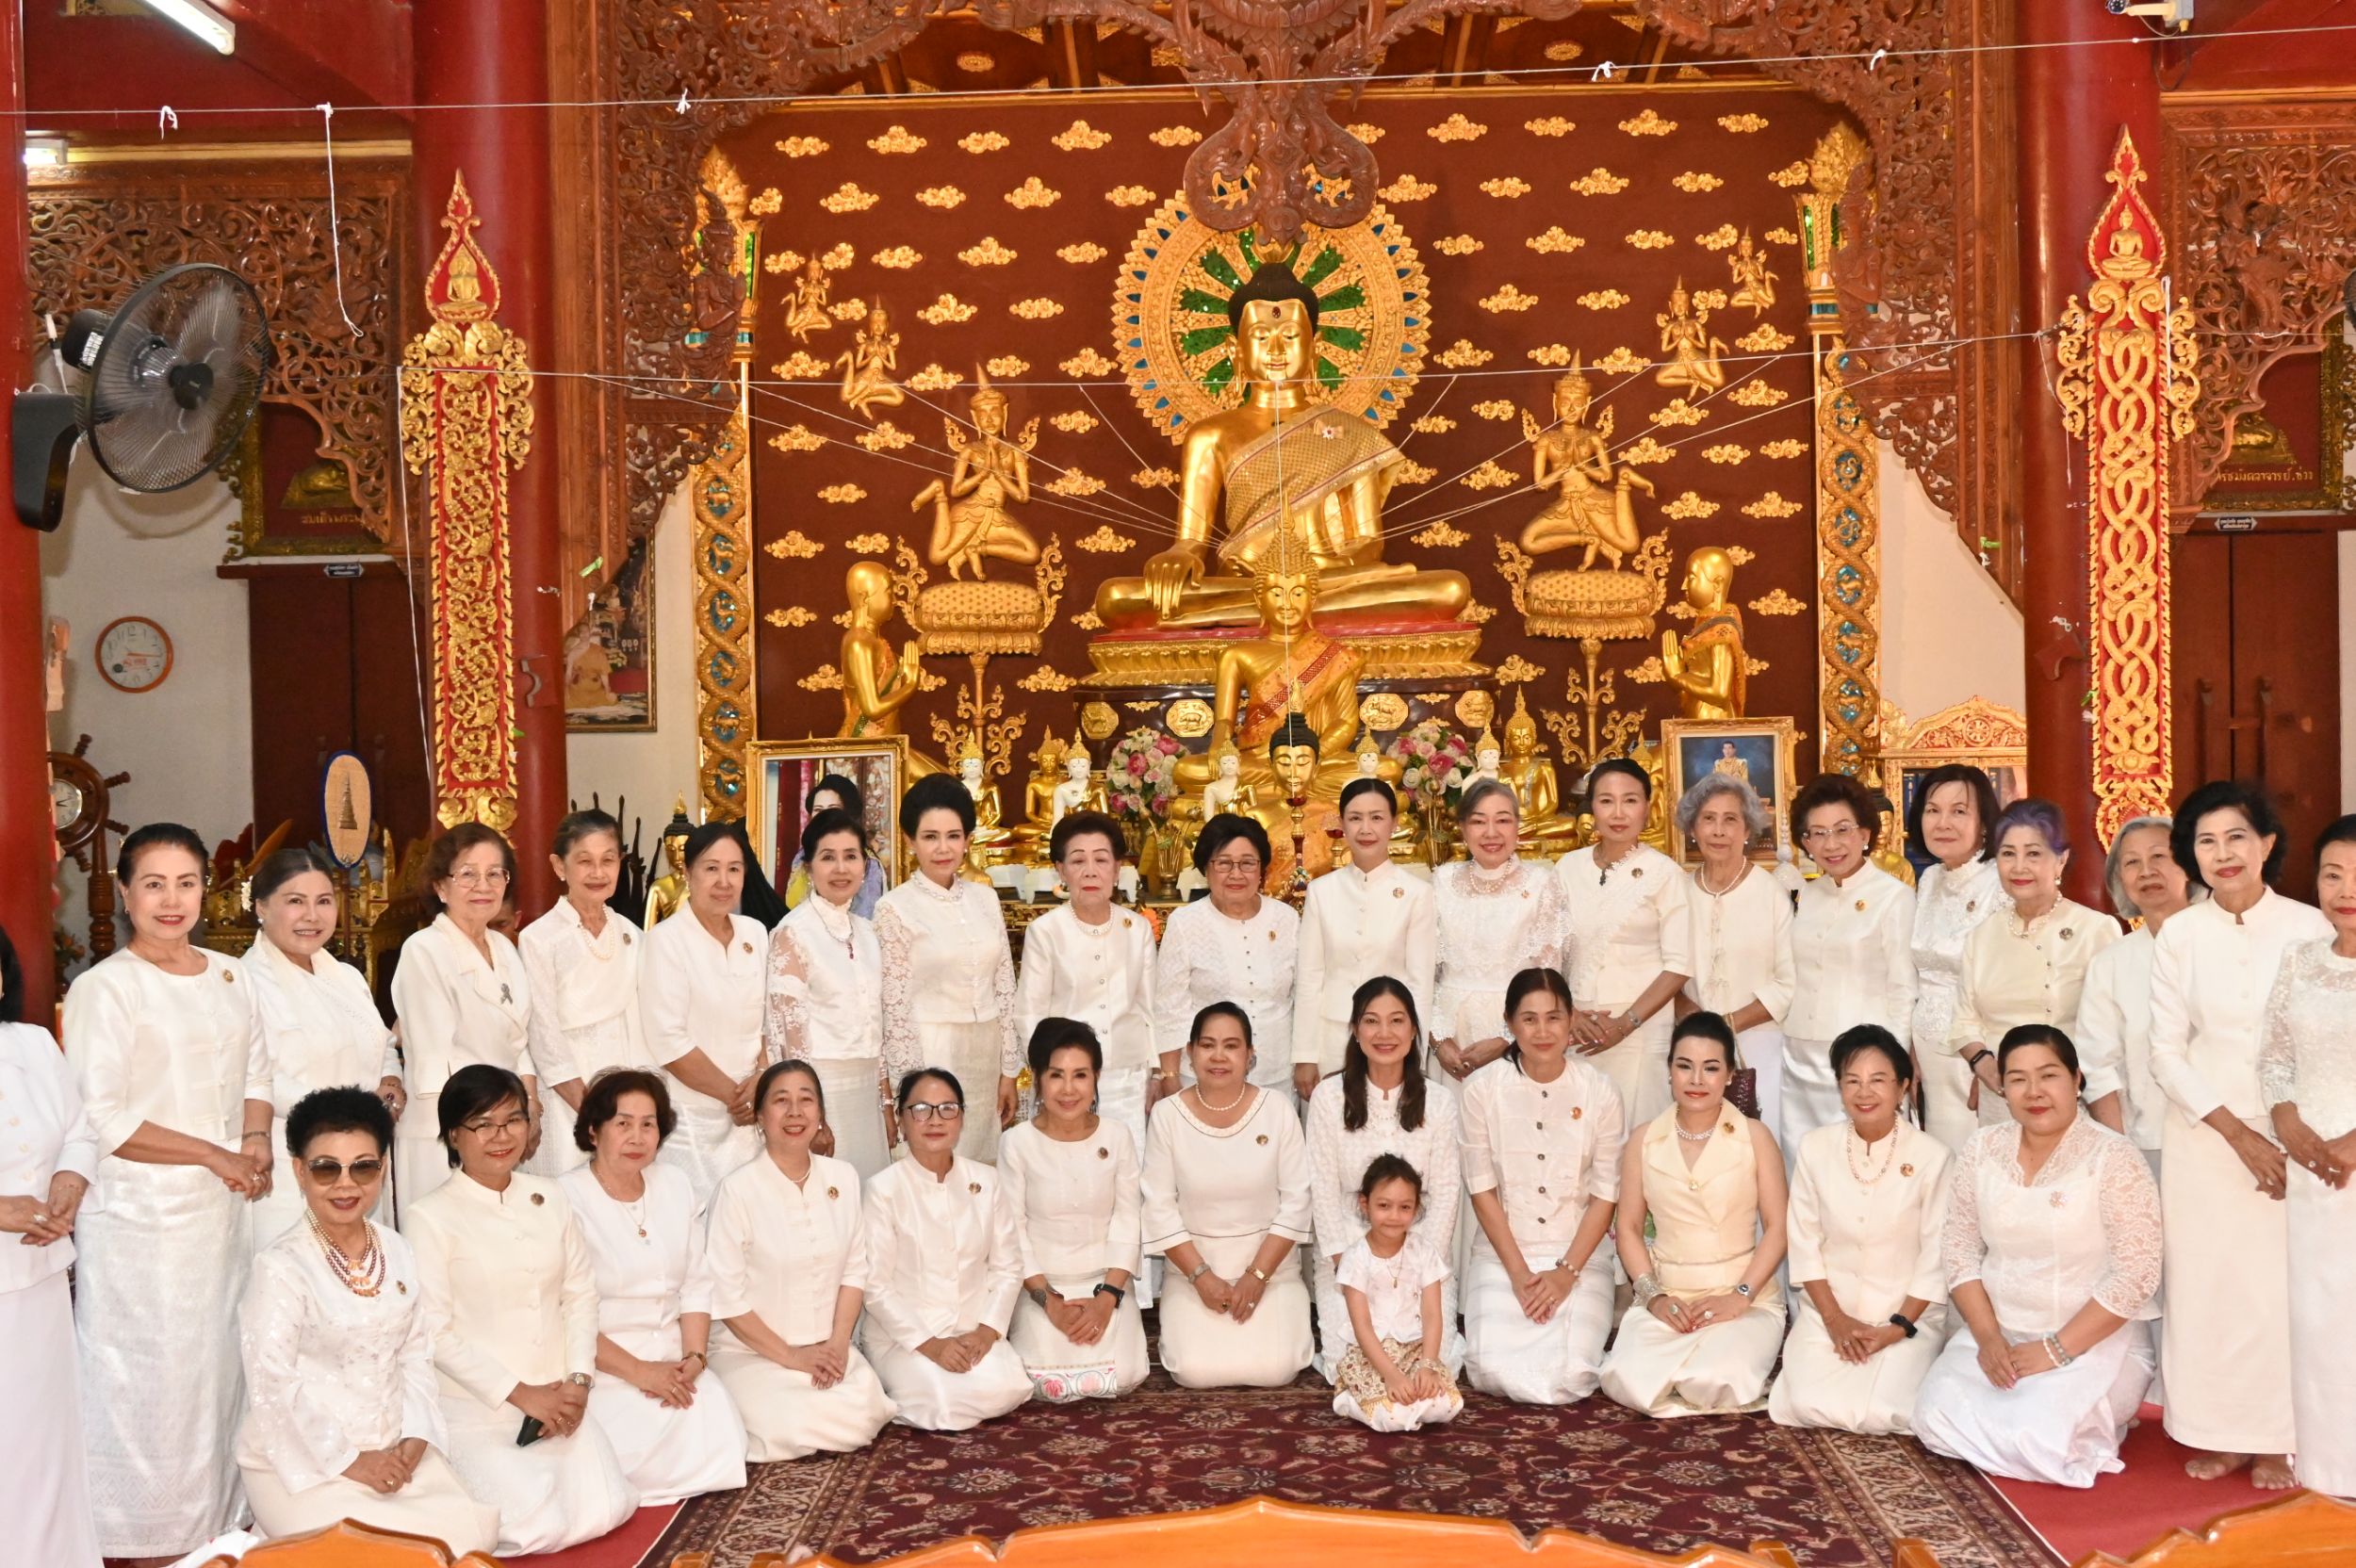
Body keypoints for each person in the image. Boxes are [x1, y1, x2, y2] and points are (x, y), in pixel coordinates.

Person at [66, 823, 273, 1563]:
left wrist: (254, 1141)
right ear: (124, 894)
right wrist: (216, 1154)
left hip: (220, 1215)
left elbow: (258, 1072)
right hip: (139, 1220)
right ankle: (144, 1538)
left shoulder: (231, 976)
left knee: (217, 1375)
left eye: (186, 883)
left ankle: (218, 1527)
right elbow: (103, 1117)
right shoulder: (104, 988)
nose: (171, 900)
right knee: (150, 1382)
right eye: (153, 884)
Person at [2148, 780, 2328, 1491]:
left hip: (2295, 1132)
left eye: (2236, 838)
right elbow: (2165, 1053)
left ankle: (2281, 1437)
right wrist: (2237, 1135)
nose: (2223, 853)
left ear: (2267, 844)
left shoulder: (2310, 927)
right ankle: (2216, 1432)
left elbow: (2322, 1042)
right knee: (2209, 1286)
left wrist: (2285, 1131)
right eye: (2206, 841)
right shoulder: (2179, 934)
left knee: (2279, 1288)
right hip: (2205, 1134)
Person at [236, 1088, 497, 1554]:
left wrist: (416, 1435)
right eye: (326, 1169)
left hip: (393, 1449)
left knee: (467, 1538)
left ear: (383, 1167)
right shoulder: (281, 1266)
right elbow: (272, 1382)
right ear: (299, 1171)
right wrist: (352, 1461)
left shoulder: (395, 1248)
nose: (346, 1185)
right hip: (305, 1461)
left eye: (363, 1167)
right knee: (380, 1554)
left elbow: (415, 1353)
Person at [1913, 1025, 2161, 1488]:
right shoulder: (1982, 1148)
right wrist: (1988, 1338)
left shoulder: (2114, 1156)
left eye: (2048, 1076)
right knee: (1933, 1416)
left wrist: (2054, 1350)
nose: (2034, 1092)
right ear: (2002, 1088)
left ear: (2076, 1079)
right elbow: (1960, 1249)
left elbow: (2136, 1275)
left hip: (2092, 1344)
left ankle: (2097, 1414)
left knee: (2035, 1437)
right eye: (2018, 1079)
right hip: (2001, 1336)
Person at [404, 1065, 637, 1555]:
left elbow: (579, 1295)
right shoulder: (429, 1217)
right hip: (481, 1408)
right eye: (482, 1124)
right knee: (536, 1527)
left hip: (559, 1400)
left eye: (513, 1120)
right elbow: (434, 1332)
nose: (501, 1136)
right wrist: (522, 1394)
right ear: (453, 1135)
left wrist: (578, 1381)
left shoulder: (549, 1196)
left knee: (607, 1510)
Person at [559, 1070, 747, 1506]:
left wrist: (694, 1359)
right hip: (606, 1370)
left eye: (649, 1124)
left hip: (676, 1366)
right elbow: (565, 1313)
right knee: (624, 1462)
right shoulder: (565, 1198)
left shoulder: (675, 1184)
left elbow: (696, 1285)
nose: (637, 1137)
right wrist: (641, 1373)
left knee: (723, 1442)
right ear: (593, 1130)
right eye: (623, 1123)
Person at [706, 1061, 897, 1460]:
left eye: (806, 1100)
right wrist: (792, 1357)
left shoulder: (843, 1177)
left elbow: (854, 1270)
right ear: (761, 1116)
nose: (795, 1113)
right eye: (781, 1101)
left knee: (866, 1409)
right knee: (790, 1420)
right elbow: (725, 1296)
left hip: (826, 1349)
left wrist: (838, 1344)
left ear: (821, 1113)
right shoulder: (737, 1190)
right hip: (752, 1354)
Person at [1601, 1013, 1789, 1417]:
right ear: (1669, 1070)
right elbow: (1628, 1228)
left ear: (1730, 1074)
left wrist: (1740, 1297)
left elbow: (1778, 1229)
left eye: (1711, 1068)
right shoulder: (1644, 1139)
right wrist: (1653, 1296)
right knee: (1626, 1381)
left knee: (1714, 1381)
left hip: (1743, 1297)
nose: (1697, 1080)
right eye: (1685, 1066)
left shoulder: (1755, 1136)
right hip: (1669, 1295)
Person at [1768, 1026, 1953, 1435]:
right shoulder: (1816, 1148)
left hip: (1906, 1318)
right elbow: (1804, 1242)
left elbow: (1936, 1255)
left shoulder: (1933, 1157)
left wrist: (1897, 1328)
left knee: (1886, 1411)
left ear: (1903, 1086)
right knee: (1804, 1403)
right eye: (1852, 1081)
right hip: (1829, 1313)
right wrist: (1834, 1319)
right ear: (1839, 1088)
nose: (1864, 1092)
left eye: (1878, 1080)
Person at [1457, 967, 1626, 1405]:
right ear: (1510, 1023)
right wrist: (1518, 1275)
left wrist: (1566, 1274)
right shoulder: (1481, 1091)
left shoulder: (1600, 1091)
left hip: (1578, 1256)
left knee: (1572, 1374)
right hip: (1503, 1256)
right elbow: (1482, 1192)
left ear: (1571, 1020)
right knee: (1487, 1369)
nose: (1543, 1031)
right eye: (1529, 1019)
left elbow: (1605, 1196)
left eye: (1554, 1017)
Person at [2260, 814, 2356, 1498]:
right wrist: (2286, 1120)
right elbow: (2274, 1057)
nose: (2346, 890)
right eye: (2333, 874)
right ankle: (2328, 1470)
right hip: (2312, 1166)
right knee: (2319, 1320)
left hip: (2350, 1158)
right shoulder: (2301, 960)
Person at [1144, 1004, 1316, 1388]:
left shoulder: (1277, 1109)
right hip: (1194, 1273)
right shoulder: (1167, 1115)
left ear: (1250, 1055)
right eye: (1208, 1045)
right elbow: (1158, 1207)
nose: (1219, 1056)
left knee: (1276, 1369)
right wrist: (1202, 1278)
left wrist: (1256, 1277)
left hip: (1270, 1271)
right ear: (1189, 1053)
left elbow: (1297, 1201)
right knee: (1193, 1371)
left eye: (1231, 1046)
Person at [241, 846, 402, 1250]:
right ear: (261, 906)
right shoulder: (244, 983)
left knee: (364, 1269)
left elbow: (382, 1043)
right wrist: (347, 1117)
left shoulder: (345, 976)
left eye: (324, 901)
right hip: (293, 1158)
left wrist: (390, 1080)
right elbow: (256, 1078)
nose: (312, 916)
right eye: (296, 901)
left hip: (364, 1154)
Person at [860, 1070, 1034, 1429]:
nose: (935, 1120)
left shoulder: (986, 1181)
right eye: (921, 1109)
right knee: (942, 1402)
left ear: (962, 1118)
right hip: (905, 1339)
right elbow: (876, 1287)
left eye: (947, 1109)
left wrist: (986, 1331)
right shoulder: (883, 1190)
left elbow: (1008, 1267)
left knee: (1010, 1388)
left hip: (972, 1332)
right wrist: (931, 1345)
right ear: (901, 1120)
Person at [1306, 977, 1461, 1379]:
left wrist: (1417, 1266)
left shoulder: (1440, 1102)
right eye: (1372, 1021)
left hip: (1420, 1258)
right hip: (1348, 1252)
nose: (1384, 1033)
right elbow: (1321, 1187)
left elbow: (1446, 1192)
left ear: (1414, 1030)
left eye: (1397, 1021)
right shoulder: (1329, 1097)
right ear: (1355, 1031)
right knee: (1352, 1369)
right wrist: (1348, 1263)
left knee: (1431, 1368)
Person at [1, 968, 102, 1568]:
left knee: (42, 1440)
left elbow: (79, 1131)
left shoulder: (33, 1043)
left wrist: (70, 1178)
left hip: (38, 1281)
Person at [1948, 801, 2121, 1133]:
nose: (2019, 867)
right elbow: (1963, 1022)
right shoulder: (1982, 936)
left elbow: (2111, 1031)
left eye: (2033, 854)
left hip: (2072, 1098)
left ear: (2061, 860)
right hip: (2000, 1098)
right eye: (2008, 854)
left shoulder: (2095, 930)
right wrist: (1985, 1066)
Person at [390, 824, 535, 1219]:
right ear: (441, 886)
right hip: (450, 1125)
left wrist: (529, 1108)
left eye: (495, 874)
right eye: (468, 874)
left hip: (501, 1123)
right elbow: (437, 1057)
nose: (483, 886)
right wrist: (483, 1126)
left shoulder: (504, 948)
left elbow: (519, 1041)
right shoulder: (424, 950)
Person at [998, 1020, 1148, 1401]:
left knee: (1124, 1376)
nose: (1068, 1089)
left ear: (1096, 1077)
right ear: (1037, 1079)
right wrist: (1050, 1303)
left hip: (1106, 1285)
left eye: (1080, 1075)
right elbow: (1013, 1231)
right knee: (1044, 1384)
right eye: (1056, 1075)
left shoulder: (1117, 1136)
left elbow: (1128, 1219)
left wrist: (1107, 1299)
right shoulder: (1016, 1143)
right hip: (1041, 1290)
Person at [876, 776, 1021, 1159]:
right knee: (932, 1164)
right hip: (931, 1052)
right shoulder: (894, 908)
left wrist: (1009, 1070)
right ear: (910, 841)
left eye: (953, 836)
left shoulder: (985, 899)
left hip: (986, 1054)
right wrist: (907, 1087)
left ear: (968, 839)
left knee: (980, 1169)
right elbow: (894, 1007)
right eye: (930, 837)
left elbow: (1005, 987)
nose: (943, 848)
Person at [1554, 759, 1693, 1126]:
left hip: (1640, 1029)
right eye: (1606, 801)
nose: (1618, 813)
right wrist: (1569, 1013)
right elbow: (1548, 953)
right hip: (1578, 1027)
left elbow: (1679, 966)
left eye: (1630, 800)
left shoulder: (1665, 874)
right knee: (1580, 1135)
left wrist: (1627, 1023)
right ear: (1591, 808)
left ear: (1647, 807)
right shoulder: (1567, 868)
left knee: (1638, 1137)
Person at [519, 811, 656, 1177]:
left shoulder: (632, 935)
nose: (598, 872)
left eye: (608, 860)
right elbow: (543, 1033)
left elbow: (643, 1022)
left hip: (625, 1088)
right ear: (559, 866)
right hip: (567, 1093)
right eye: (584, 861)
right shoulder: (539, 939)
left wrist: (633, 1111)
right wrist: (593, 1112)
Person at [1785, 774, 1917, 1151]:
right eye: (1818, 833)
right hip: (1798, 1056)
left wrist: (1892, 1068)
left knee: (1863, 1156)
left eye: (1842, 830)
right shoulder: (1807, 895)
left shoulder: (1894, 897)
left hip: (1862, 1063)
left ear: (1865, 833)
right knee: (1803, 1156)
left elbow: (1903, 988)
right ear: (1806, 843)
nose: (1831, 844)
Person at [643, 820, 772, 1204]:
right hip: (692, 1117)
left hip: (753, 1115)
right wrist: (735, 1097)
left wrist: (761, 1078)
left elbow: (771, 1021)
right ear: (687, 872)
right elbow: (668, 1040)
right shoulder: (665, 940)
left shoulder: (756, 934)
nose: (724, 881)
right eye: (711, 868)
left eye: (734, 869)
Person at [1018, 811, 1165, 1144]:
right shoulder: (1045, 931)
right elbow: (1029, 1013)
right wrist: (1047, 1076)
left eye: (1101, 859)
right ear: (1061, 870)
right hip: (1066, 1083)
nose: (1090, 871)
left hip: (1128, 1079)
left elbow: (1149, 1007)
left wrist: (1156, 1072)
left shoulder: (1137, 928)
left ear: (1117, 869)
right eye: (1077, 860)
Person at [766, 809, 892, 1180]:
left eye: (851, 856)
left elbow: (877, 1027)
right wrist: (812, 1115)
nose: (840, 869)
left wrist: (886, 1102)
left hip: (867, 1095)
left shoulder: (867, 933)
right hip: (824, 1092)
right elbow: (789, 1040)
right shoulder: (793, 934)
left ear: (865, 866)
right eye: (827, 857)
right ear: (808, 868)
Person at [1293, 779, 1436, 1100]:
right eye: (1355, 818)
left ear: (1394, 823)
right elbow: (1310, 977)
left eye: (1377, 817)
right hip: (1331, 1038)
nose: (1366, 828)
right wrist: (1304, 1056)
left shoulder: (1417, 894)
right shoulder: (1321, 891)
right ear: (1342, 823)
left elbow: (1420, 983)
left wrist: (1416, 1056)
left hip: (1391, 1043)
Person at [1675, 775, 1793, 1134]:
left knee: (1756, 1145)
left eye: (1730, 820)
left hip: (1758, 1048)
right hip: (1691, 1048)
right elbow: (1664, 971)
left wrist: (1725, 1026)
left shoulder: (1771, 893)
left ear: (1748, 830)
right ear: (1692, 828)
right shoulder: (1679, 893)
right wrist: (1690, 1016)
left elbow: (1788, 983)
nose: (1718, 831)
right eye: (1708, 819)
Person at [1155, 813, 1301, 1106]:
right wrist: (1169, 1074)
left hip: (1277, 1075)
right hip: (1204, 1077)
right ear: (1206, 869)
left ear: (1262, 869)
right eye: (1224, 863)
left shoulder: (1286, 918)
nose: (1236, 874)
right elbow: (1170, 1007)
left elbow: (1303, 995)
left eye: (1247, 863)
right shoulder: (1185, 922)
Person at [1431, 779, 1565, 1083]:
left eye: (1503, 820)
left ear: (1518, 826)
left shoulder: (1541, 883)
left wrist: (1507, 1038)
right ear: (1462, 828)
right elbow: (1423, 975)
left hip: (1520, 1034)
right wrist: (1438, 1041)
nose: (1491, 833)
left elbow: (1549, 978)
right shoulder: (1442, 881)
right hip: (1449, 1033)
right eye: (1479, 822)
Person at [2078, 816, 2195, 1156]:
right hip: (2147, 1142)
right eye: (2131, 862)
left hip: (2232, 1139)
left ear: (2189, 865)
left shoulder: (2222, 942)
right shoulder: (2110, 964)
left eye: (2159, 856)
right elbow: (2098, 1066)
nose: (2146, 871)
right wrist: (2122, 1153)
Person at [1906, 765, 2004, 1148]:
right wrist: (1911, 1046)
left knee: (1980, 1157)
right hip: (1929, 1054)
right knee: (1940, 1157)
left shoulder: (2000, 881)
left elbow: (2008, 982)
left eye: (1959, 811)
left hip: (1978, 1056)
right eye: (1933, 810)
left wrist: (1992, 1061)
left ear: (1984, 823)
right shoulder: (1930, 878)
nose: (1943, 822)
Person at [1332, 1155, 1464, 1432]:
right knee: (1391, 1416)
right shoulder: (1355, 1258)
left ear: (1416, 1208)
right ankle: (1349, 1400)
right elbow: (1362, 1326)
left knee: (1448, 1405)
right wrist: (1391, 1376)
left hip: (1415, 1350)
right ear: (1365, 1204)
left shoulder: (1423, 1251)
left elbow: (1432, 1315)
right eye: (1384, 1206)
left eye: (1405, 1207)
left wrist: (1427, 1366)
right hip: (1372, 1354)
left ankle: (1409, 1409)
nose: (1394, 1216)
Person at [783, 773, 887, 917]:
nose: (824, 816)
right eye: (818, 810)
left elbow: (867, 915)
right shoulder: (802, 856)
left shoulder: (867, 862)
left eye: (833, 809)